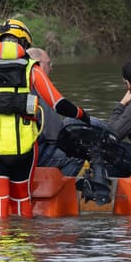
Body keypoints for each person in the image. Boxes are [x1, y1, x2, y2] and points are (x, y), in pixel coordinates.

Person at [0, 19, 91, 218]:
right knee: (21, 199)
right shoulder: (31, 69)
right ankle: (24, 244)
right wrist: (82, 115)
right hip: (25, 149)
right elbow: (59, 104)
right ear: (23, 43)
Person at [26, 47, 85, 176]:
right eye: (49, 64)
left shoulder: (20, 87)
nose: (51, 68)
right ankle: (61, 190)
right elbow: (55, 134)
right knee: (78, 155)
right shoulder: (42, 92)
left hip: (19, 154)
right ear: (38, 65)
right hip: (37, 155)